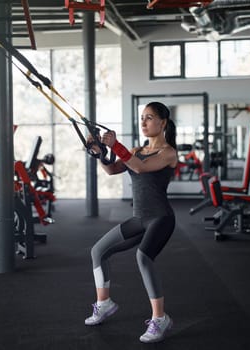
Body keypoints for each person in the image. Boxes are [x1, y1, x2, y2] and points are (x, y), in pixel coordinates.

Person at [84, 101, 178, 343]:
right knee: (98, 251)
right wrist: (100, 154)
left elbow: (140, 168)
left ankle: (160, 318)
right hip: (139, 218)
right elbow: (113, 169)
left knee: (143, 257)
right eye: (142, 118)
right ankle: (103, 303)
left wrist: (115, 145)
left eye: (149, 117)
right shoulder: (136, 150)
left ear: (163, 123)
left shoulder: (168, 153)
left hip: (161, 218)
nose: (143, 122)